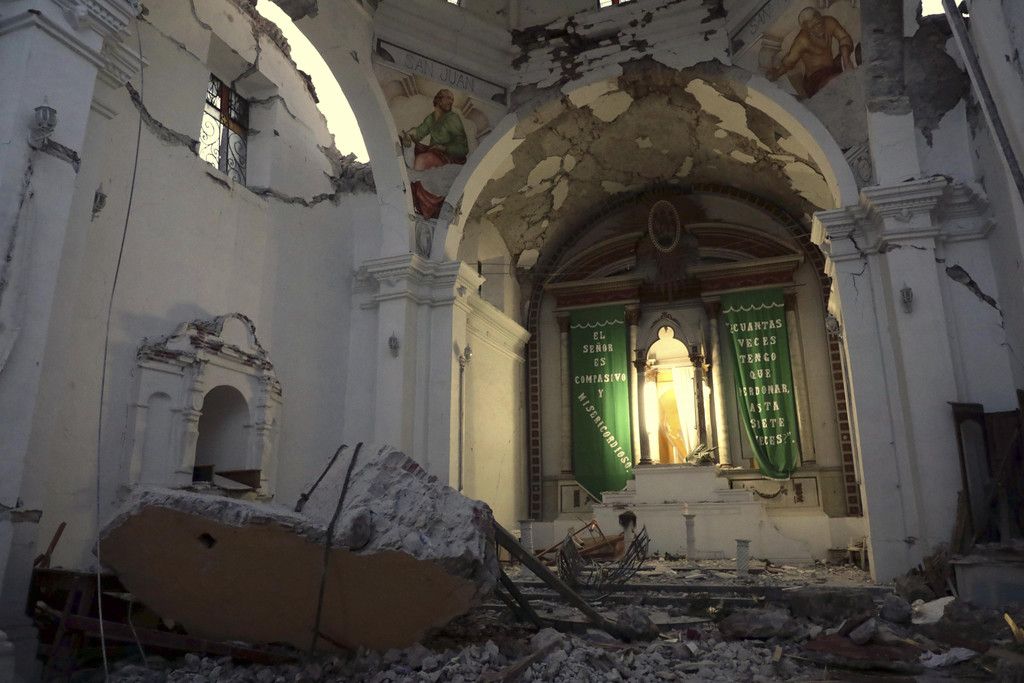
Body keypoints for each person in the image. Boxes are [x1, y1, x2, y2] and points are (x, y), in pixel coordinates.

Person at [399, 89, 469, 218]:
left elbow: (463, 148)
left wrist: (444, 148)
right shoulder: (432, 118)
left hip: (449, 157)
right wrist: (409, 135)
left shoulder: (452, 118)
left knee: (423, 161)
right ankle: (416, 198)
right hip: (435, 152)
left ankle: (428, 204)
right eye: (448, 98)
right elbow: (420, 132)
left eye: (452, 99)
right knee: (411, 152)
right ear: (438, 99)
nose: (450, 101)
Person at [767, 8, 855, 97]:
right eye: (813, 27)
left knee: (859, 52)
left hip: (832, 68)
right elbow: (789, 62)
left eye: (819, 23)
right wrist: (776, 74)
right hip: (815, 79)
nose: (818, 28)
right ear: (806, 29)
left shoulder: (829, 22)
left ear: (820, 17)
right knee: (835, 81)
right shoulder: (802, 41)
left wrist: (846, 60)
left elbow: (844, 38)